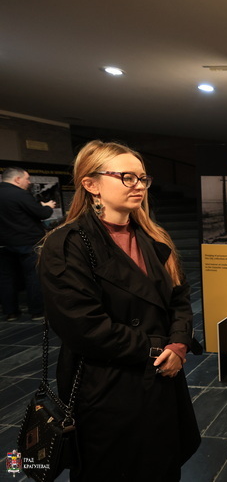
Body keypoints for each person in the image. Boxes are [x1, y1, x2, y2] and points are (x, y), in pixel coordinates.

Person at [38, 141, 200, 480]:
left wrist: (179, 344)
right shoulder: (68, 243)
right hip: (108, 385)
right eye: (126, 177)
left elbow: (179, 298)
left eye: (142, 177)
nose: (138, 185)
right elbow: (84, 328)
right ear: (91, 184)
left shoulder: (153, 237)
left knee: (162, 465)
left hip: (161, 378)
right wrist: (158, 348)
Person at [0, 166, 56, 321]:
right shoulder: (20, 194)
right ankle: (37, 311)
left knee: (6, 278)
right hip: (27, 242)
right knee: (33, 275)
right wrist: (48, 207)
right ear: (17, 179)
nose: (29, 182)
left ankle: (10, 313)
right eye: (27, 179)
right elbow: (41, 213)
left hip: (2, 244)